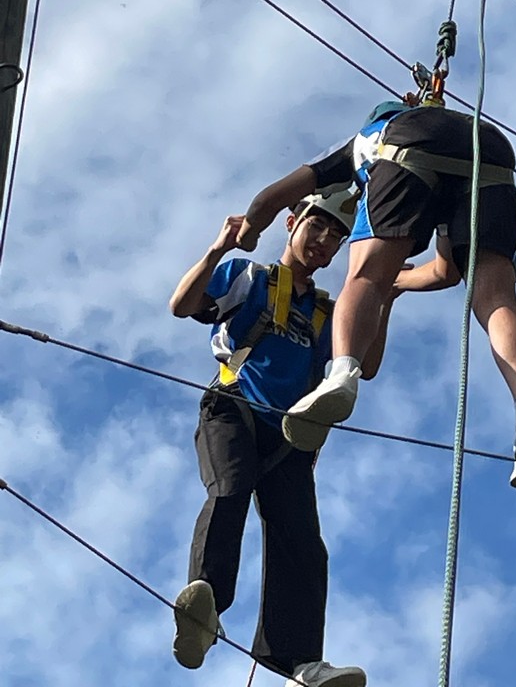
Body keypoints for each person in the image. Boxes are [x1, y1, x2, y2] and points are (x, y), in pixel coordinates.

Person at [236, 100, 516, 491]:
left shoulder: (365, 139)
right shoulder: (449, 130)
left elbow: (267, 201)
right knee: (497, 301)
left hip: (409, 147)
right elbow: (445, 272)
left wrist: (249, 232)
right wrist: (399, 282)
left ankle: (341, 376)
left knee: (365, 276)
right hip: (490, 150)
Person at [169, 193, 372, 687]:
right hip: (233, 406)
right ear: (291, 223)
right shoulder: (251, 277)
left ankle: (297, 662)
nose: (323, 241)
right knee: (230, 487)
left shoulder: (329, 312)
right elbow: (183, 306)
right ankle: (205, 604)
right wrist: (218, 248)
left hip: (289, 437)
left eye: (335, 237)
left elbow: (365, 363)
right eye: (316, 227)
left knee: (302, 542)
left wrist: (379, 294)